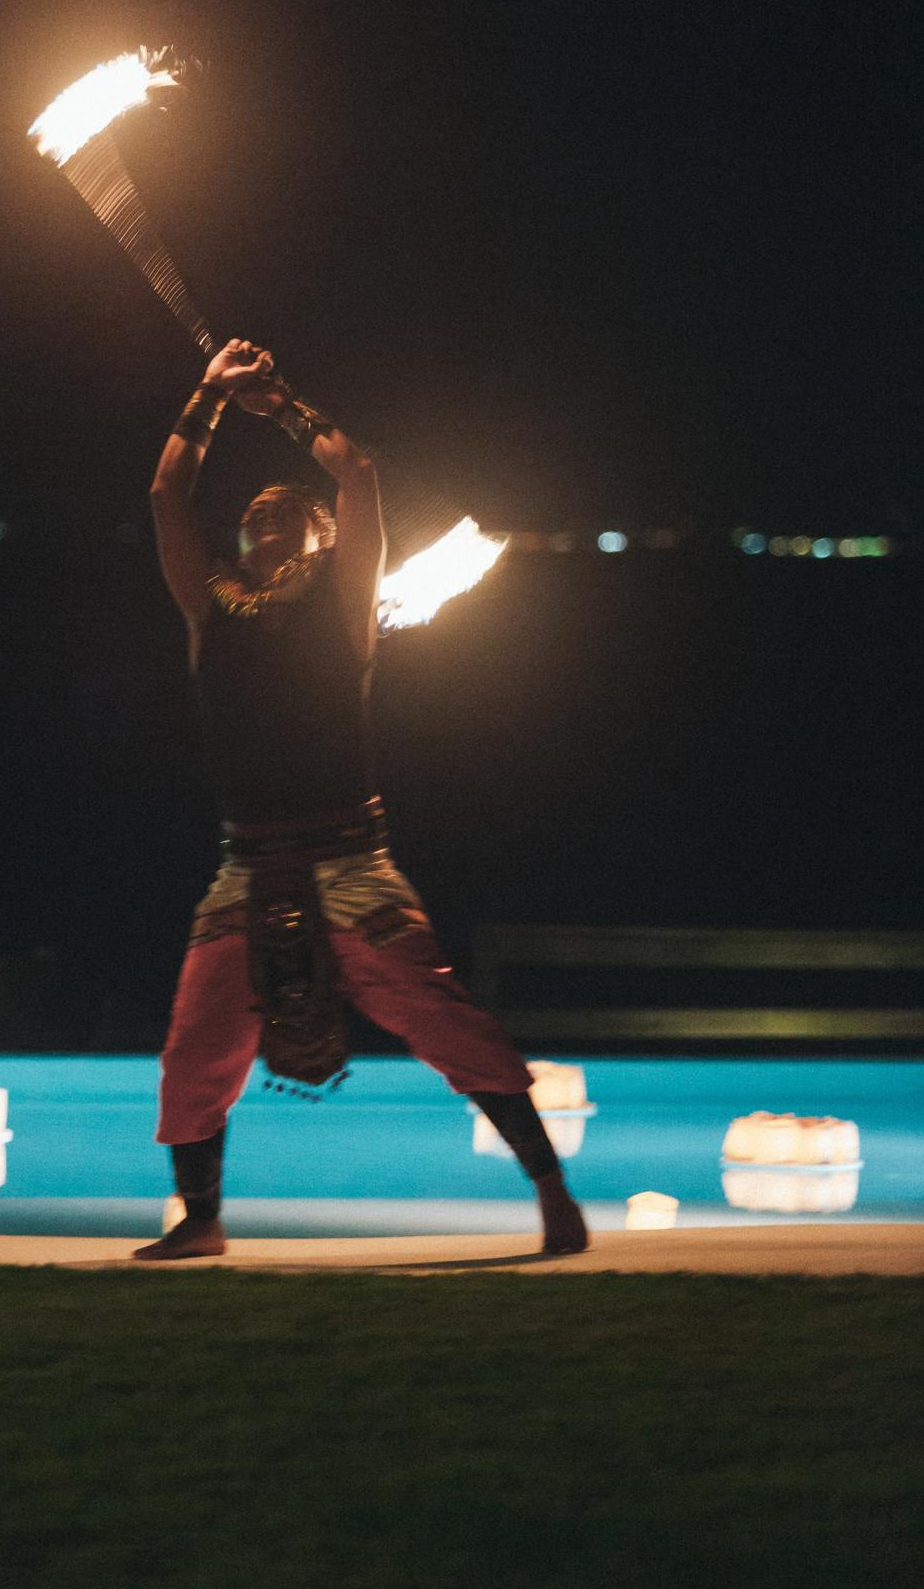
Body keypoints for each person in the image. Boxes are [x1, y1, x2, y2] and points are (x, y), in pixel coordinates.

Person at [135, 338, 589, 1261]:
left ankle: (552, 1195)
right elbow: (163, 495)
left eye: (288, 516)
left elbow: (358, 470)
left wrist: (283, 401)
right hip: (245, 867)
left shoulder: (350, 610)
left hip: (350, 862)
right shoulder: (207, 616)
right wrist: (209, 396)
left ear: (327, 541)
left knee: (445, 1019)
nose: (266, 524)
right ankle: (202, 1221)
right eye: (255, 517)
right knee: (195, 1043)